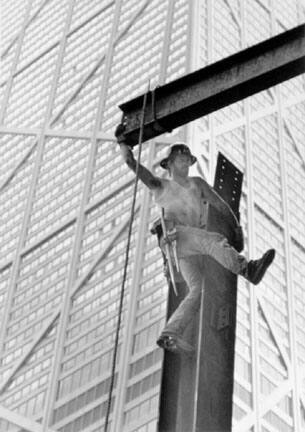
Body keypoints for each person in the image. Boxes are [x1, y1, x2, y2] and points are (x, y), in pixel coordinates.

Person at [116, 131, 275, 353]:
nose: (185, 163)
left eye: (187, 160)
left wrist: (236, 228)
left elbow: (220, 205)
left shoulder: (197, 184)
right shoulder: (160, 185)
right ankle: (248, 269)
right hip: (174, 237)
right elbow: (130, 162)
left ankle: (170, 334)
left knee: (199, 289)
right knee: (213, 241)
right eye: (180, 160)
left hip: (186, 247)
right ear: (169, 164)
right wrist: (123, 143)